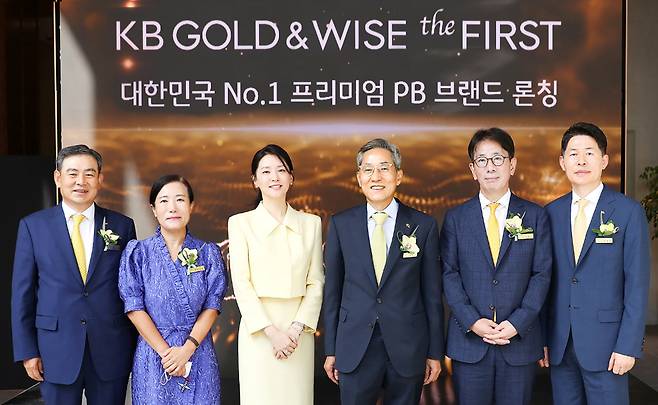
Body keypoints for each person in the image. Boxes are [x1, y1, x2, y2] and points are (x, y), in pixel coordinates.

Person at [11, 144, 137, 405]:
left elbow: (131, 290)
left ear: (100, 179)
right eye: (72, 173)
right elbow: (22, 294)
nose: (81, 181)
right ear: (58, 178)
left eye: (89, 174)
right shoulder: (33, 226)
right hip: (54, 349)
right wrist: (27, 351)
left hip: (110, 347)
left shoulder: (122, 226)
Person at [323, 138, 443, 405]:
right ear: (358, 177)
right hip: (355, 345)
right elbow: (332, 291)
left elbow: (432, 295)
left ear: (398, 176)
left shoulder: (423, 226)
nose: (376, 177)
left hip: (408, 346)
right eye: (368, 169)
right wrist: (331, 349)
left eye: (384, 168)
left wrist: (435, 351)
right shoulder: (342, 224)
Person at [440, 128, 552, 405]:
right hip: (470, 342)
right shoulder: (455, 218)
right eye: (482, 160)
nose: (490, 167)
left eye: (498, 159)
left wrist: (518, 322)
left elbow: (542, 274)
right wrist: (472, 321)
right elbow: (448, 274)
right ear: (472, 169)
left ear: (512, 165)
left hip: (519, 341)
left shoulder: (536, 216)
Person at [541, 122, 650, 405]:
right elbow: (544, 281)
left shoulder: (627, 211)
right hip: (560, 344)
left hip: (608, 345)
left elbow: (637, 284)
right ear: (562, 162)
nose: (581, 160)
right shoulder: (550, 213)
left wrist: (628, 346)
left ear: (604, 160)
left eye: (589, 152)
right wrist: (543, 338)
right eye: (573, 153)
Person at [228, 144, 324, 405]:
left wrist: (293, 331)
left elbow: (316, 282)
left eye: (281, 170)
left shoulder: (311, 223)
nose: (274, 177)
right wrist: (273, 333)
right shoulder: (240, 223)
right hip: (259, 333)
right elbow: (241, 283)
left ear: (291, 178)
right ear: (255, 180)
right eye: (266, 171)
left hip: (298, 334)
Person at [118, 175, 227, 404]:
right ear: (154, 209)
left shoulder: (208, 253)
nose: (173, 208)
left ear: (191, 206)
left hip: (198, 352)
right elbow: (134, 307)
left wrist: (187, 349)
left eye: (180, 199)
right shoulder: (138, 253)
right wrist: (167, 354)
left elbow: (213, 305)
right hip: (154, 354)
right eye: (164, 201)